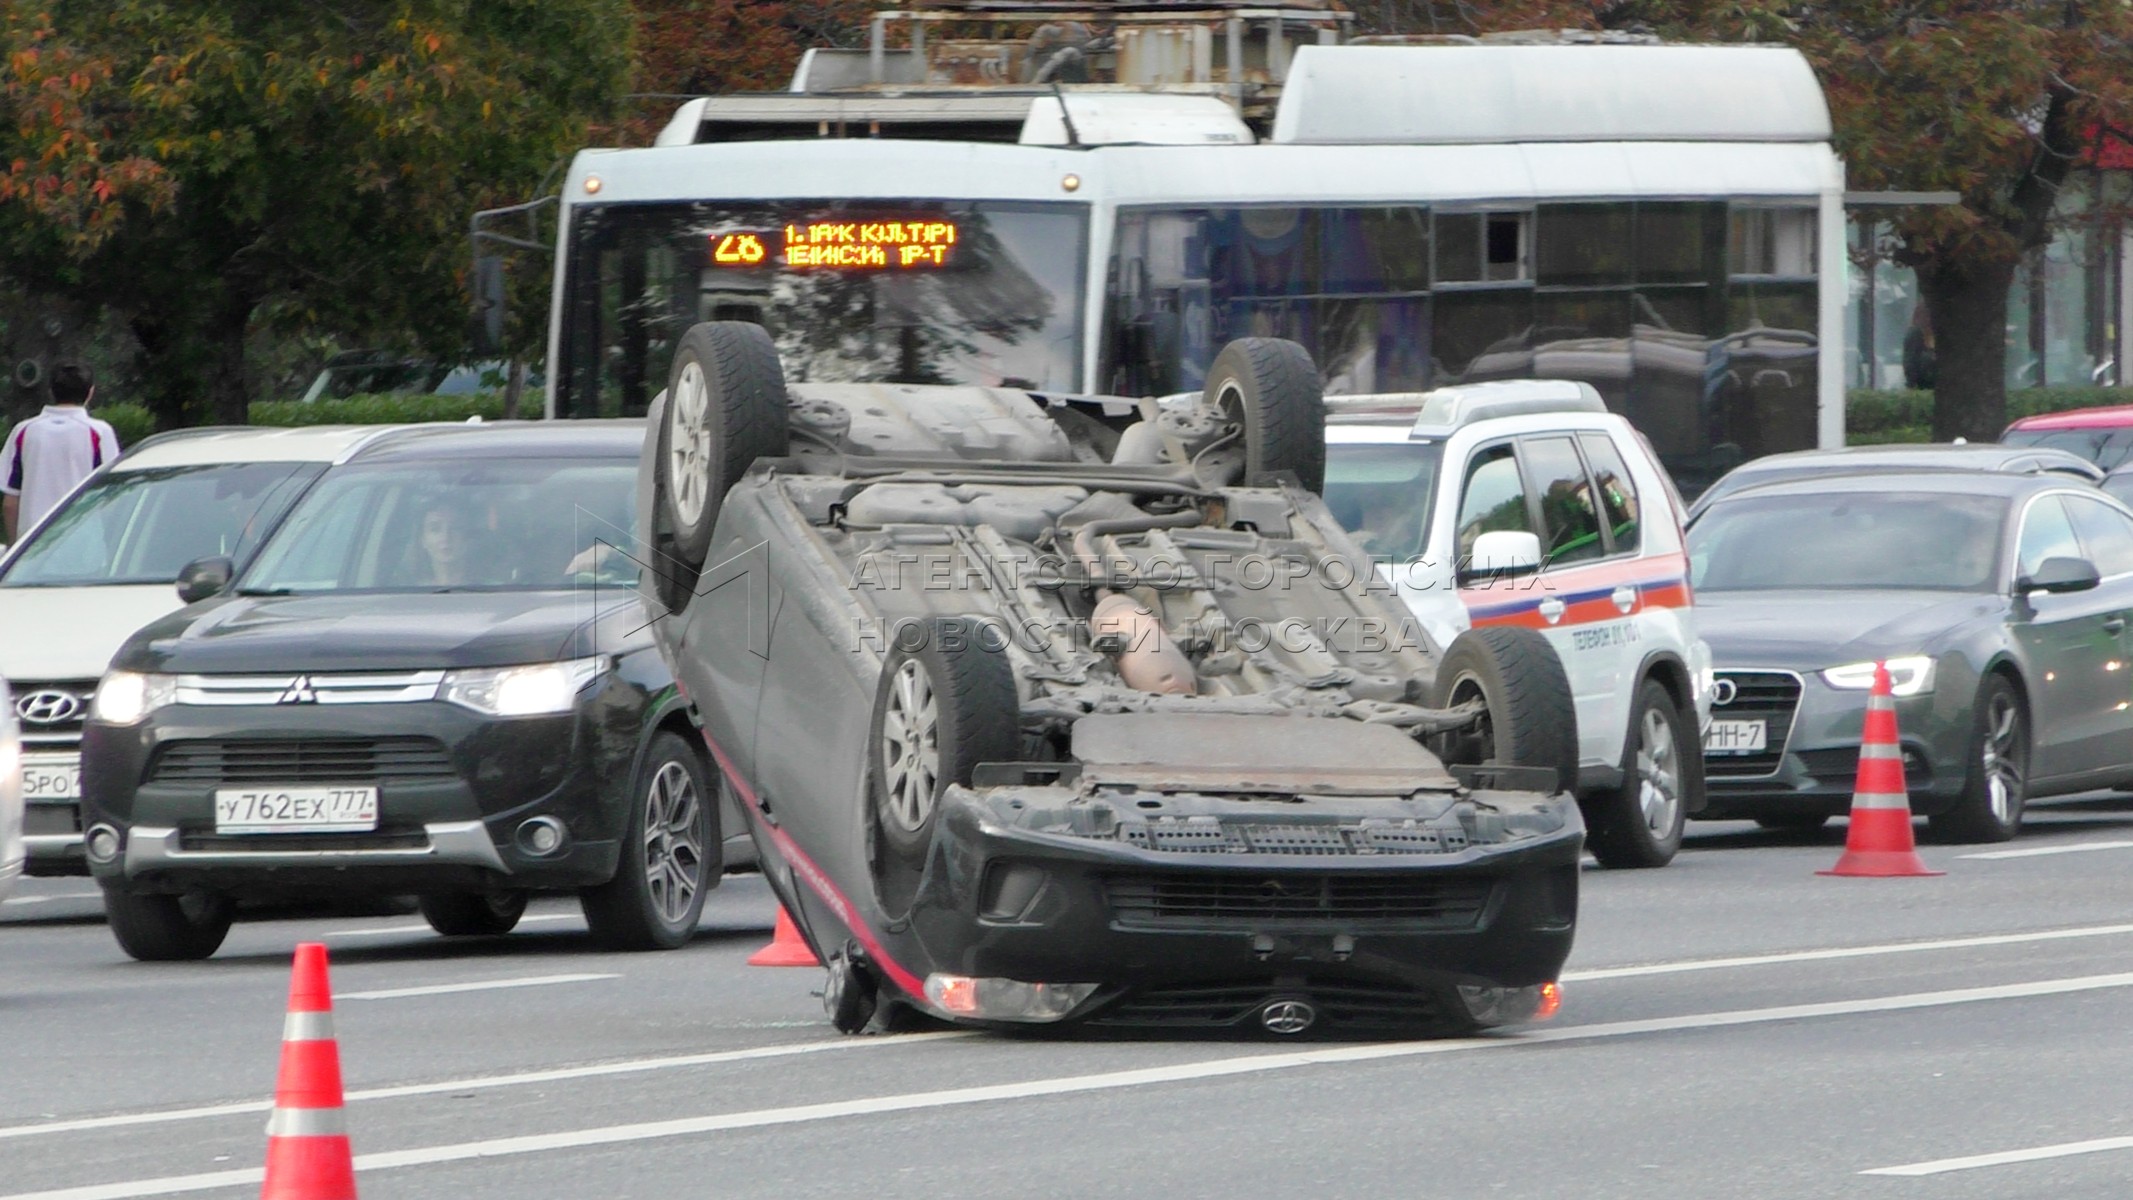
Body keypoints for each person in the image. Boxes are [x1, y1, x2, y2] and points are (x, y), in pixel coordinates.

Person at [1, 359, 119, 542]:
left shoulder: (24, 431)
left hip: (32, 553)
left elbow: (10, 503)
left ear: (51, 391)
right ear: (90, 392)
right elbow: (111, 497)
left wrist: (14, 549)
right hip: (84, 548)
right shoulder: (100, 432)